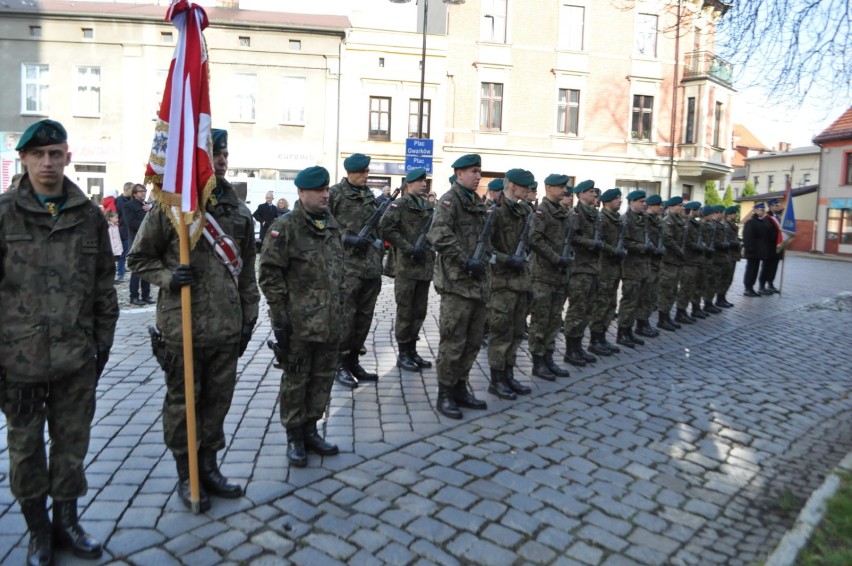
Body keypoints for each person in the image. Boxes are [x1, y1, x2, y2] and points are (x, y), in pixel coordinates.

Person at [0, 119, 118, 564]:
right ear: (25, 159)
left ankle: (67, 522)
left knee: (71, 449)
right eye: (38, 155)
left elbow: (104, 287)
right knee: (27, 452)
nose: (47, 163)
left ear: (67, 156)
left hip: (75, 361)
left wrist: (102, 345)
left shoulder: (87, 214)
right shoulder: (4, 213)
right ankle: (38, 533)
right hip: (19, 363)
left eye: (55, 154)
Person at [128, 128, 259, 511]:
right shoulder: (171, 206)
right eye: (212, 153)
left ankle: (210, 467)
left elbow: (247, 270)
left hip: (226, 327)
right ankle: (188, 476)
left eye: (223, 154)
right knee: (184, 404)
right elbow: (138, 260)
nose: (219, 160)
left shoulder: (236, 209)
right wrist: (169, 277)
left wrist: (249, 318)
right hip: (181, 327)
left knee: (217, 403)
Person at [259, 166, 343, 467]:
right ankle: (294, 436)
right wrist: (280, 318)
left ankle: (311, 429)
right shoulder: (286, 227)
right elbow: (269, 275)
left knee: (322, 379)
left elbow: (337, 273)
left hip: (330, 321)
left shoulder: (331, 225)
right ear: (301, 193)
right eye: (318, 190)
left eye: (327, 189)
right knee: (296, 381)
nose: (325, 194)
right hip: (299, 324)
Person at [427, 154, 490, 420]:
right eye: (473, 171)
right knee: (453, 342)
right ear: (459, 173)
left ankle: (460, 387)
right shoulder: (449, 200)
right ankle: (445, 393)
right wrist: (466, 260)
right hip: (456, 283)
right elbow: (438, 235)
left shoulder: (476, 202)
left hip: (477, 283)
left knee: (473, 341)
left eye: (479, 172)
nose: (478, 176)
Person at [329, 153, 383, 388]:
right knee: (346, 317)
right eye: (362, 172)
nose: (366, 175)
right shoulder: (336, 194)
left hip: (371, 267)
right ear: (350, 172)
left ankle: (353, 361)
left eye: (367, 171)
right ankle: (339, 364)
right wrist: (348, 238)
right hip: (347, 267)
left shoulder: (369, 195)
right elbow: (325, 224)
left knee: (364, 317)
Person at [379, 168, 435, 372]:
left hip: (425, 265)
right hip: (407, 265)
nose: (424, 184)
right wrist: (407, 246)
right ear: (409, 183)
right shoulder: (399, 204)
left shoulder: (428, 206)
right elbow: (385, 227)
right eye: (420, 181)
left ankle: (412, 350)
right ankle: (403, 353)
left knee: (419, 310)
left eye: (425, 180)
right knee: (406, 310)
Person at [487, 168, 537, 399]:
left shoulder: (525, 210)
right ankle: (497, 380)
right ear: (513, 186)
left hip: (520, 282)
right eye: (525, 186)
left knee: (517, 332)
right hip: (501, 283)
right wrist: (508, 259)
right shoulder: (495, 211)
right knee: (500, 334)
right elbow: (485, 248)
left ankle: (508, 375)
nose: (529, 190)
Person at [528, 173, 573, 379]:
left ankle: (549, 358)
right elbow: (535, 240)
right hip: (543, 275)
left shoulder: (563, 212)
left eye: (565, 187)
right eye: (560, 187)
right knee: (540, 320)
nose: (564, 190)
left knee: (555, 320)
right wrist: (556, 258)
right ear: (548, 188)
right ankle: (538, 362)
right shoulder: (541, 211)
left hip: (560, 275)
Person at [562, 180, 602, 365]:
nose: (595, 195)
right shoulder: (576, 214)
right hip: (579, 268)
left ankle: (579, 347)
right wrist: (590, 243)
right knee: (577, 310)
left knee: (587, 310)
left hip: (593, 268)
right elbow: (572, 238)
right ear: (582, 194)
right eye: (591, 192)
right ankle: (570, 350)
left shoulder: (594, 214)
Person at [616, 190, 655, 347]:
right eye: (640, 201)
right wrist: (642, 247)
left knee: (641, 300)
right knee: (629, 301)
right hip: (631, 267)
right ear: (631, 202)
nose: (644, 204)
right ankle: (622, 332)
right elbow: (624, 242)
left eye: (645, 201)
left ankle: (631, 330)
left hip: (644, 266)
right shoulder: (625, 220)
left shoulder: (645, 219)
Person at [588, 188, 624, 354]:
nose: (620, 201)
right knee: (601, 304)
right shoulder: (602, 219)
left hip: (614, 268)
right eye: (617, 199)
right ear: (607, 201)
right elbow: (599, 241)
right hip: (604, 267)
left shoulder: (617, 219)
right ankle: (595, 340)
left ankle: (602, 337)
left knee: (610, 304)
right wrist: (613, 250)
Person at [656, 196, 687, 330]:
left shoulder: (680, 220)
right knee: (666, 291)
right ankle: (662, 319)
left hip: (677, 262)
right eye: (679, 206)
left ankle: (667, 316)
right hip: (669, 261)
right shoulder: (667, 221)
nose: (681, 208)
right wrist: (680, 251)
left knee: (673, 290)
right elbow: (668, 239)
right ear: (672, 207)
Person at [125, 183, 154, 305]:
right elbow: (131, 223)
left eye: (144, 191)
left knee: (147, 269)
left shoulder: (147, 205)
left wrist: (152, 207)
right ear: (134, 193)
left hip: (149, 240)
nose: (143, 193)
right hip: (137, 240)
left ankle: (146, 295)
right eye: (141, 191)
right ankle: (134, 296)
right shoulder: (128, 206)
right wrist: (147, 225)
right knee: (137, 270)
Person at [742, 202, 774, 297]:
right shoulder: (750, 222)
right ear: (755, 210)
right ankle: (748, 288)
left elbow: (768, 232)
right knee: (751, 270)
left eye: (764, 210)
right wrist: (750, 249)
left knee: (755, 271)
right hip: (752, 252)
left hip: (759, 252)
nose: (763, 211)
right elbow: (747, 237)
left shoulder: (763, 221)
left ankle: (751, 287)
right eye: (761, 210)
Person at [760, 198, 783, 294]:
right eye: (775, 205)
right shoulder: (767, 218)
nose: (777, 207)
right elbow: (767, 232)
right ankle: (762, 286)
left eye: (777, 205)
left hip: (776, 247)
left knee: (774, 267)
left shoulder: (777, 217)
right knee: (766, 267)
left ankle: (770, 284)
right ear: (770, 206)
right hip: (769, 247)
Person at [114, 181, 134, 282]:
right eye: (132, 190)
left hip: (129, 230)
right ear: (127, 189)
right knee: (122, 253)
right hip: (122, 230)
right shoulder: (119, 201)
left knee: (126, 252)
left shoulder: (131, 199)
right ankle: (120, 273)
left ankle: (122, 269)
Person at [106, 209, 124, 277]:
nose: (117, 219)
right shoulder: (109, 228)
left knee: (115, 264)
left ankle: (114, 277)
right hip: (113, 250)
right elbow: (110, 239)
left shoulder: (115, 226)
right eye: (116, 218)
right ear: (110, 218)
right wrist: (112, 250)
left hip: (117, 249)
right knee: (112, 265)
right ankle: (111, 277)